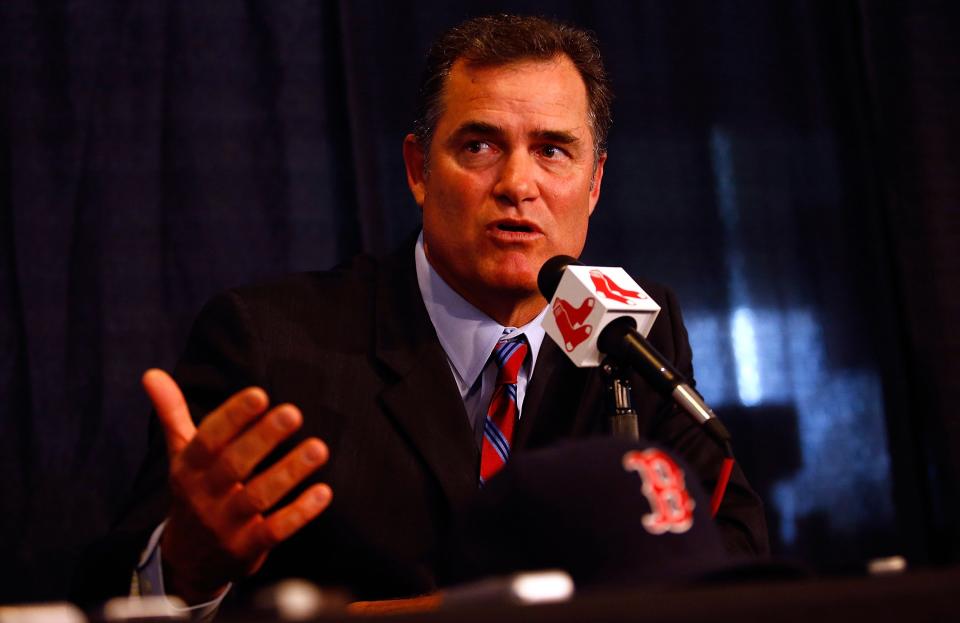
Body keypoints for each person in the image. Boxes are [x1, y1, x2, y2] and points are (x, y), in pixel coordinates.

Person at [87, 13, 767, 610]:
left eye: (552, 151)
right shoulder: (268, 343)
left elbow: (730, 539)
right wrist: (185, 565)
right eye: (479, 146)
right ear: (418, 169)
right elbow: (114, 589)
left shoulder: (633, 332)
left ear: (593, 184)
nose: (517, 184)